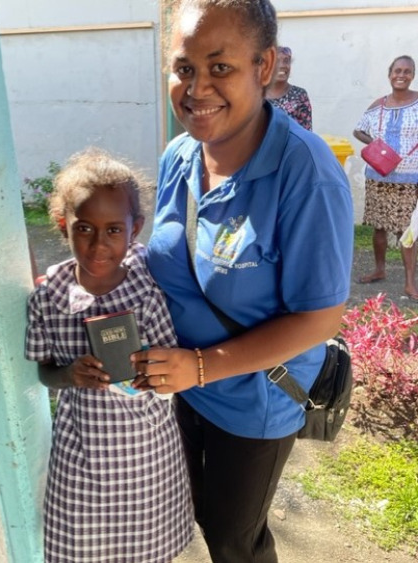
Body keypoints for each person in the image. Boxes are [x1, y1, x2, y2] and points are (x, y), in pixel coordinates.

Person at [138, 1, 353, 561]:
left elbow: (320, 317)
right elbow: (165, 260)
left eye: (219, 67)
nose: (197, 87)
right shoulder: (178, 156)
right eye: (184, 68)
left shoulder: (305, 174)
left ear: (265, 66)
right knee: (190, 508)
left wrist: (203, 366)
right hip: (181, 385)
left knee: (235, 537)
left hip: (253, 397)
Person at [25, 149, 193, 562]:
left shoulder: (149, 289)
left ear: (134, 229)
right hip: (81, 458)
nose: (99, 245)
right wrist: (70, 375)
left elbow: (170, 365)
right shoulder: (49, 298)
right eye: (84, 228)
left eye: (114, 230)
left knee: (151, 550)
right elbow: (44, 373)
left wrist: (151, 372)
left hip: (149, 454)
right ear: (64, 226)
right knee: (79, 549)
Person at [353, 55, 418, 296]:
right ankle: (379, 270)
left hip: (410, 179)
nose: (401, 75)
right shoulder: (379, 104)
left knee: (407, 230)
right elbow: (358, 130)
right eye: (397, 70)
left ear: (413, 75)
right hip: (379, 176)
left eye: (407, 71)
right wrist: (377, 146)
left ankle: (410, 282)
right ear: (389, 74)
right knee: (378, 228)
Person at [265, 46, 312, 130]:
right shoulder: (258, 95)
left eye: (286, 61)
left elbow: (307, 134)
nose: (283, 65)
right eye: (277, 61)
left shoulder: (299, 95)